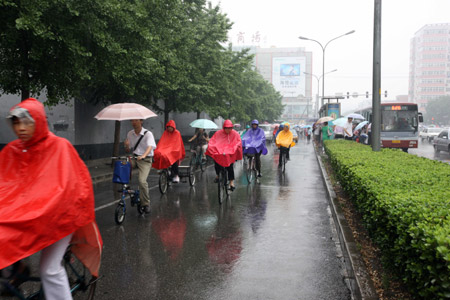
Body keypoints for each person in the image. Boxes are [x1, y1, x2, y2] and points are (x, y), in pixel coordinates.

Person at [0, 98, 103, 300]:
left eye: (26, 122)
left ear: (38, 121)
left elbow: (72, 188)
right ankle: (18, 269)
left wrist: (40, 208)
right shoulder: (12, 150)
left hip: (60, 218)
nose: (21, 128)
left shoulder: (60, 147)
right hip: (28, 217)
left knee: (49, 269)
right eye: (16, 123)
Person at [124, 119, 156, 213]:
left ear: (141, 122)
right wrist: (126, 146)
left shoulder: (148, 134)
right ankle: (124, 186)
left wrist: (143, 156)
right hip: (135, 158)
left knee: (142, 181)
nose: (134, 123)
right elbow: (128, 150)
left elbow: (150, 146)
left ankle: (146, 203)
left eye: (136, 121)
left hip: (145, 160)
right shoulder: (130, 133)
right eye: (132, 121)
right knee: (123, 166)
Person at [206, 119, 243, 191]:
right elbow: (213, 141)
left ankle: (231, 182)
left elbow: (238, 142)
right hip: (220, 151)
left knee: (230, 166)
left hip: (230, 153)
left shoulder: (235, 134)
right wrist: (212, 147)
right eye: (226, 128)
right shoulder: (218, 133)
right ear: (224, 127)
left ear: (232, 128)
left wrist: (234, 148)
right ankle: (217, 175)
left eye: (230, 128)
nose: (228, 130)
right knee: (216, 162)